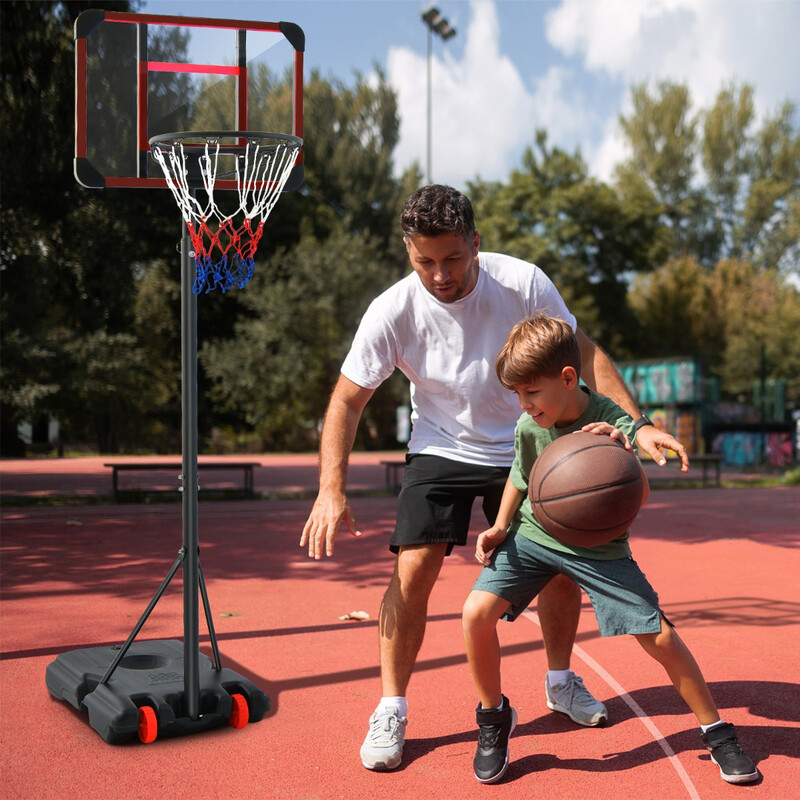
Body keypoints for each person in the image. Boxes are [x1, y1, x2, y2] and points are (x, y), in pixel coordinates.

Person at [300, 184, 690, 772]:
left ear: (475, 243)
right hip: (441, 447)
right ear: (409, 252)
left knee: (561, 563)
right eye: (424, 260)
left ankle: (559, 681)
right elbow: (348, 401)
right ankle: (392, 706)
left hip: (532, 441)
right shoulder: (394, 310)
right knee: (414, 569)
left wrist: (637, 427)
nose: (439, 274)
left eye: (452, 258)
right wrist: (331, 488)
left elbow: (583, 355)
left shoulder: (524, 284)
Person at [462, 314, 758, 785]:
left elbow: (639, 497)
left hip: (598, 548)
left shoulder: (614, 422)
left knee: (659, 635)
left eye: (531, 392)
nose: (524, 404)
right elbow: (520, 477)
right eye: (517, 394)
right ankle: (493, 718)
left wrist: (622, 453)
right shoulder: (528, 426)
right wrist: (499, 527)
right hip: (535, 536)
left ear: (568, 378)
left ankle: (717, 731)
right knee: (475, 613)